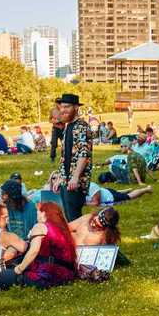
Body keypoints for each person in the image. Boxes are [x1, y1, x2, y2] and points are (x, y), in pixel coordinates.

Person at [10, 202, 77, 289]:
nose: (36, 214)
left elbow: (34, 251)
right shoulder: (64, 230)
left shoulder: (40, 226)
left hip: (46, 277)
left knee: (4, 276)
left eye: (38, 211)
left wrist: (19, 269)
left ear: (44, 213)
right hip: (67, 277)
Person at [56, 93, 93, 221]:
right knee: (69, 218)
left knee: (74, 219)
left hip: (76, 181)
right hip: (66, 180)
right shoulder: (68, 127)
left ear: (76, 107)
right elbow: (65, 156)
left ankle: (82, 234)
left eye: (67, 107)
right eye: (62, 107)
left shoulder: (82, 126)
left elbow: (84, 154)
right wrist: (60, 177)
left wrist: (75, 177)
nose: (63, 110)